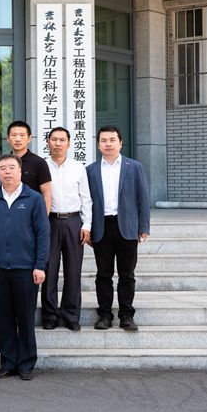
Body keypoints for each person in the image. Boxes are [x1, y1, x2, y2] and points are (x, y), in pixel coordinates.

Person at [0, 154, 50, 381]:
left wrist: (40, 265)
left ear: (20, 171)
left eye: (11, 167)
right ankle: (8, 362)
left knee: (25, 318)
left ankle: (26, 363)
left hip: (26, 269)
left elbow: (43, 234)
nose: (7, 172)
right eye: (2, 168)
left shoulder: (34, 199)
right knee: (3, 319)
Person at [86, 126, 150, 332]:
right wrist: (87, 228)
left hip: (127, 227)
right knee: (103, 274)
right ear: (98, 145)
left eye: (112, 140)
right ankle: (104, 315)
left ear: (120, 143)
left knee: (127, 275)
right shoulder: (91, 170)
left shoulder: (134, 167)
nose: (108, 144)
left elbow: (143, 199)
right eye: (103, 140)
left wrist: (144, 226)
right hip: (101, 227)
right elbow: (86, 202)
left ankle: (126, 315)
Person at [43, 127, 92, 331]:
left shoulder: (78, 167)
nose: (58, 143)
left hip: (73, 222)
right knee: (49, 270)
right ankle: (50, 315)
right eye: (54, 139)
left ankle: (71, 315)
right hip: (50, 222)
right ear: (48, 142)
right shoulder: (42, 166)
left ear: (69, 143)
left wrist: (87, 225)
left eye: (62, 140)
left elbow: (86, 198)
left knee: (73, 271)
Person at [7, 120, 52, 214]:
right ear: (8, 138)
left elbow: (47, 195)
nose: (18, 139)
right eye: (14, 135)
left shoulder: (39, 162)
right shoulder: (4, 162)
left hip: (32, 214)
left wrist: (43, 218)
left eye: (22, 135)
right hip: (8, 213)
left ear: (29, 138)